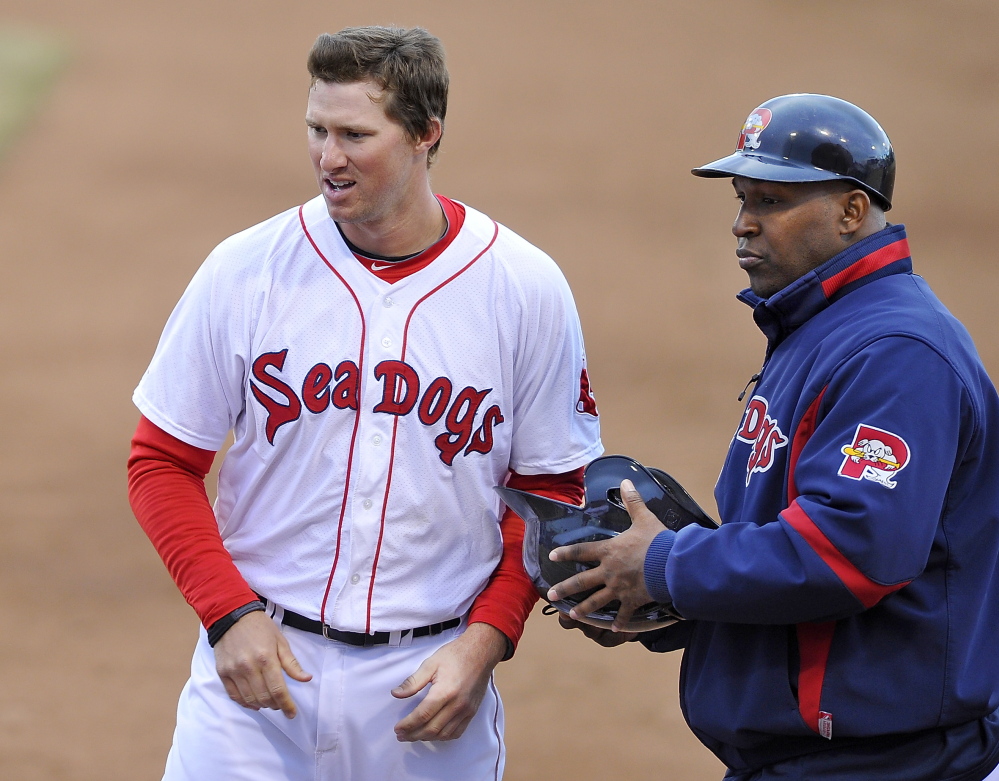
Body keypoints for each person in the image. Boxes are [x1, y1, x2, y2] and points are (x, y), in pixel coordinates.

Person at [127, 26, 602, 780]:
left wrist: (486, 641)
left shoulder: (522, 287)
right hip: (257, 677)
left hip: (427, 689)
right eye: (316, 129)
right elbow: (160, 459)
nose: (327, 155)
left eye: (354, 134)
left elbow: (550, 489)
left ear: (424, 134)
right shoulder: (245, 270)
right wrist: (226, 613)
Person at [547, 94, 999, 780]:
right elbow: (793, 557)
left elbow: (851, 552)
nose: (742, 224)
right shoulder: (816, 328)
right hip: (820, 758)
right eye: (740, 198)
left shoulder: (897, 352)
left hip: (887, 764)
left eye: (770, 201)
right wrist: (659, 600)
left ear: (851, 211)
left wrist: (668, 564)